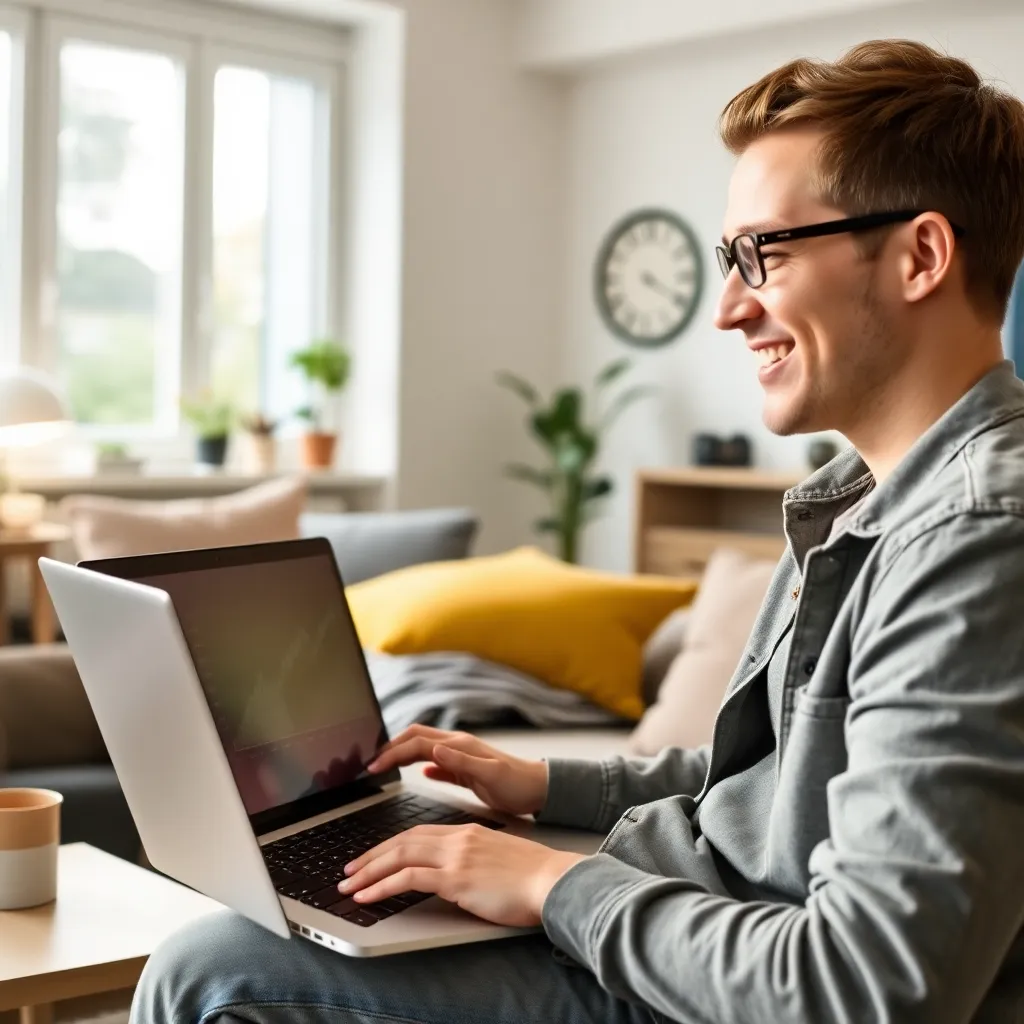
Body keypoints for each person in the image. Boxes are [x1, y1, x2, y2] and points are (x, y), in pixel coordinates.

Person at [133, 39, 1024, 1024]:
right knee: (257, 921)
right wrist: (544, 783)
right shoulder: (855, 496)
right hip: (683, 920)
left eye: (761, 254)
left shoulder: (977, 542)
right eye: (730, 259)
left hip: (712, 984)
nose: (728, 307)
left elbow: (866, 985)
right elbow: (771, 790)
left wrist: (549, 886)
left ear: (920, 256)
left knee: (210, 972)